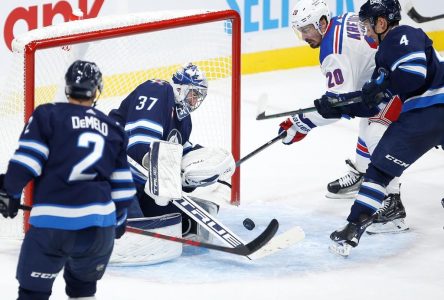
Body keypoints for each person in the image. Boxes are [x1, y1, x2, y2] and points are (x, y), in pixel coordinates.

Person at [0, 60, 136, 299]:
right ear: (97, 90)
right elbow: (123, 190)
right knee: (82, 290)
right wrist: (118, 221)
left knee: (33, 292)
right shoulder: (113, 128)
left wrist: (8, 193)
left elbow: (26, 162)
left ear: (68, 88)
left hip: (52, 227)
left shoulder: (48, 115)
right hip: (98, 230)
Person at [325, 0, 444, 256]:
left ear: (381, 23)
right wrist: (339, 105)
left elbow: (413, 74)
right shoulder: (383, 54)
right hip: (431, 110)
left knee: (378, 168)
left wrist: (383, 87)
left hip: (428, 109)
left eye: (368, 25)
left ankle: (354, 225)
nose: (366, 31)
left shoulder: (403, 35)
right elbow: (372, 106)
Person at [279, 0, 407, 233]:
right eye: (300, 31)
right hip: (390, 74)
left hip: (400, 83)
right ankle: (363, 172)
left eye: (307, 29)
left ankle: (393, 203)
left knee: (374, 129)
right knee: (368, 118)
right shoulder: (344, 18)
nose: (304, 35)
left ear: (322, 23)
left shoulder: (332, 53)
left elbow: (337, 106)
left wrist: (301, 123)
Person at [108, 62, 235, 246]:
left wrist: (197, 172)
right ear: (180, 88)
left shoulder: (184, 121)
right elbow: (138, 149)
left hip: (140, 182)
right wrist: (165, 173)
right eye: (193, 94)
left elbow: (181, 156)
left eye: (198, 96)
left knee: (176, 221)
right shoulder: (157, 90)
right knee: (135, 236)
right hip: (112, 172)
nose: (194, 101)